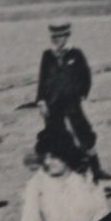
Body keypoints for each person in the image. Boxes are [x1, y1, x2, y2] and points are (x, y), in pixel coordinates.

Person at [36, 21, 99, 165]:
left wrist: (82, 93)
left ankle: (95, 167)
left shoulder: (75, 54)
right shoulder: (47, 55)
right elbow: (42, 78)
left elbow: (86, 75)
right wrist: (41, 101)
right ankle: (70, 164)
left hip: (71, 101)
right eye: (54, 37)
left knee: (83, 131)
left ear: (67, 36)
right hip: (52, 102)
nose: (56, 40)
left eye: (60, 36)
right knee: (57, 133)